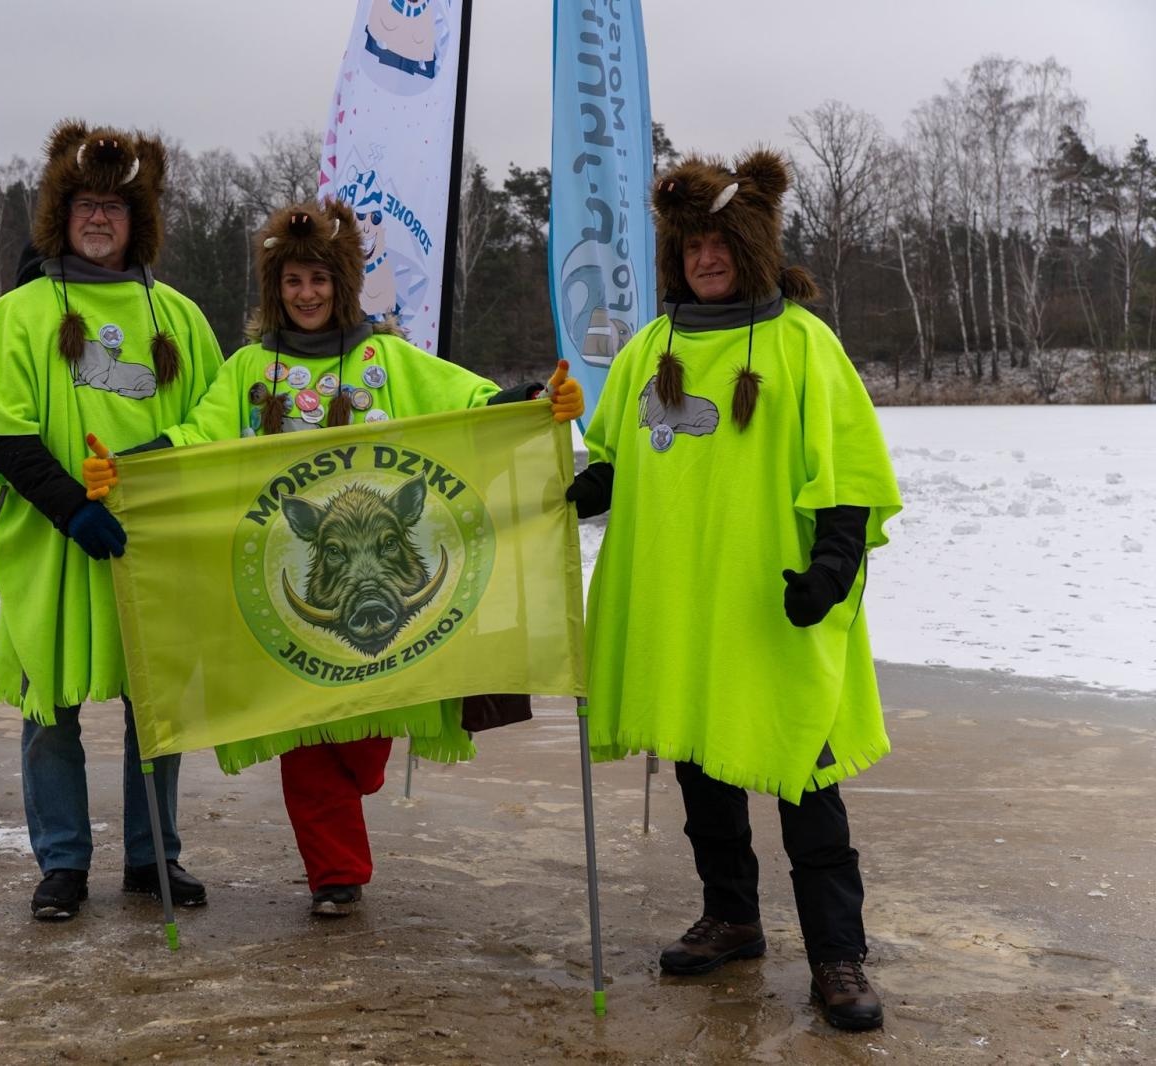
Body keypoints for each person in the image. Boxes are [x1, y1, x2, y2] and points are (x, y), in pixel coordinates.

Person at [84, 198, 582, 916]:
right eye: (292, 282)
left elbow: (467, 400)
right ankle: (335, 874)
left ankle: (353, 795)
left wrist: (534, 399)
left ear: (340, 284)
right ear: (275, 290)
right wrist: (130, 470)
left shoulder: (386, 358)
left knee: (365, 726)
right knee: (309, 731)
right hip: (295, 592)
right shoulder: (252, 367)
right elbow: (199, 436)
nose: (306, 294)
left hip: (388, 592)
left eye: (318, 279)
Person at [566, 149, 902, 1030]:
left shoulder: (801, 342)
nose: (703, 261)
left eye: (719, 245)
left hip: (775, 603)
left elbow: (851, 470)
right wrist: (578, 489)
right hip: (684, 607)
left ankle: (838, 955)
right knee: (702, 766)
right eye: (690, 248)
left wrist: (834, 566)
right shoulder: (653, 345)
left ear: (747, 249)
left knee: (802, 775)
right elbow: (617, 457)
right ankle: (734, 917)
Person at [0, 122, 223, 920]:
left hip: (153, 547)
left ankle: (153, 859)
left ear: (139, 222)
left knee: (156, 707)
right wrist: (72, 509)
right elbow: (0, 430)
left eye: (114, 207)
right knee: (50, 713)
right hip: (52, 548)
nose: (99, 219)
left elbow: (216, 419)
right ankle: (63, 864)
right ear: (60, 217)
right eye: (85, 206)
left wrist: (154, 475)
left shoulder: (178, 316)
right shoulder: (20, 313)